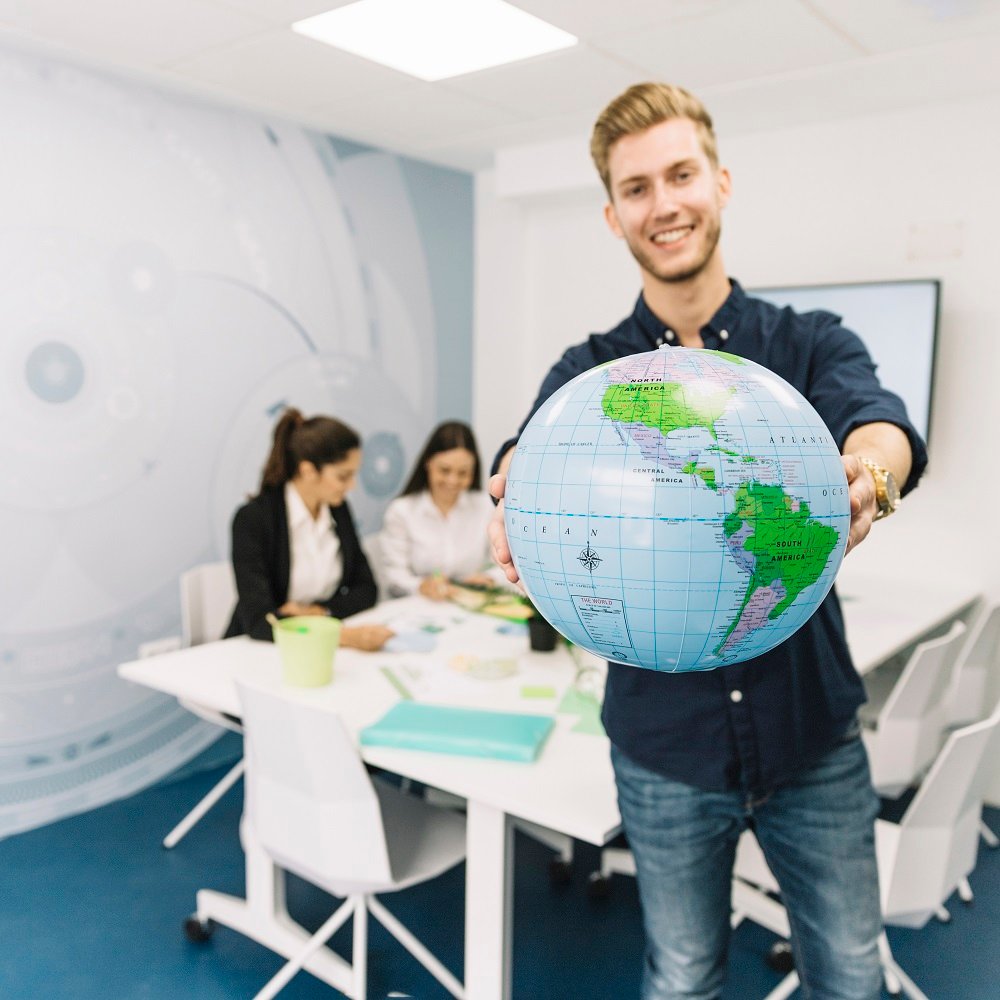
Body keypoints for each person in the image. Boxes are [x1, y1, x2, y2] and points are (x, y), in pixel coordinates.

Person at [488, 82, 928, 1000]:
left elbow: (881, 424)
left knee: (851, 975)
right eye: (638, 187)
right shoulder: (590, 372)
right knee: (682, 978)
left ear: (720, 183)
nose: (665, 203)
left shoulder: (806, 344)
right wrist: (510, 489)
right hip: (665, 754)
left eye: (681, 174)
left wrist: (869, 477)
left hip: (813, 739)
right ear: (613, 216)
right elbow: (527, 449)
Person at [225, 408, 393, 652]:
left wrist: (318, 612)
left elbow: (367, 589)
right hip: (260, 650)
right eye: (343, 476)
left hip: (314, 648)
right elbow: (260, 620)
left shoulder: (338, 509)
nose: (352, 486)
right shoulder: (253, 519)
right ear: (308, 471)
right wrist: (342, 636)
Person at [380, 420, 498, 600]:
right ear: (428, 464)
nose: (452, 481)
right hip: (420, 606)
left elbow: (503, 563)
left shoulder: (485, 506)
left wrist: (489, 577)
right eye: (444, 470)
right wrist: (421, 586)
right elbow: (394, 574)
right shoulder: (402, 511)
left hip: (472, 603)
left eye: (463, 473)